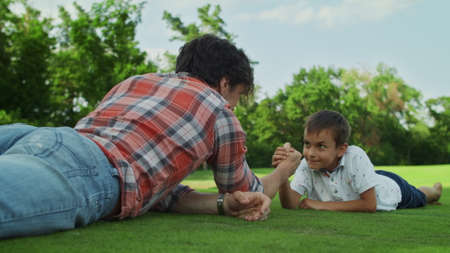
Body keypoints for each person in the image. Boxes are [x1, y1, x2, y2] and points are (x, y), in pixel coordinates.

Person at [0, 34, 302, 238]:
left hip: (42, 136)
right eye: (236, 95)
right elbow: (250, 192)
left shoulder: (136, 81)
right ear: (225, 84)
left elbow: (152, 187)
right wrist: (285, 169)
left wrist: (221, 204)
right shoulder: (219, 110)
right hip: (87, 170)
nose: (234, 105)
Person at [273, 110, 442, 212]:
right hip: (364, 180)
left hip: (390, 189)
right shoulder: (308, 164)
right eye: (307, 144)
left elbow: (370, 205)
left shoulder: (355, 155)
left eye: (321, 146)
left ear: (341, 149)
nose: (311, 153)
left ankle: (434, 191)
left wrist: (320, 205)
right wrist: (283, 173)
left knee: (421, 196)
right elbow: (291, 204)